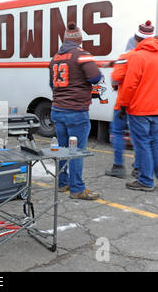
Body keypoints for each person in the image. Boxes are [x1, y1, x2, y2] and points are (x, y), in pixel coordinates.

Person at [49, 22, 103, 200]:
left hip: (57, 109)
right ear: (79, 39)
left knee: (63, 149)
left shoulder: (55, 58)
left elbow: (52, 84)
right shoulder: (82, 55)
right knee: (77, 151)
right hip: (76, 111)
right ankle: (77, 188)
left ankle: (62, 183)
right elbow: (95, 77)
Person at [118, 35, 158, 191]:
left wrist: (123, 105)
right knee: (155, 142)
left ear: (139, 40)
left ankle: (146, 180)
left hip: (140, 108)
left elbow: (129, 85)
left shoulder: (137, 56)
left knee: (142, 144)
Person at [104, 21, 154, 178]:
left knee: (117, 132)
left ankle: (118, 166)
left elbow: (116, 78)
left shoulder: (126, 57)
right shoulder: (155, 58)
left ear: (136, 39)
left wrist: (114, 84)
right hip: (143, 104)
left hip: (124, 103)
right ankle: (138, 167)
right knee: (138, 136)